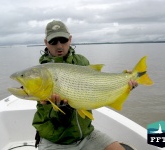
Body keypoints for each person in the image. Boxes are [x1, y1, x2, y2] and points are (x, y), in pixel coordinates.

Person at [32, 20, 138, 150]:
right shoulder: (41, 73)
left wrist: (123, 83)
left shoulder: (81, 61)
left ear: (70, 40)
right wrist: (62, 109)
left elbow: (98, 85)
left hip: (86, 135)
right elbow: (48, 118)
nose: (59, 46)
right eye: (53, 41)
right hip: (55, 141)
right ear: (46, 43)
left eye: (63, 40)